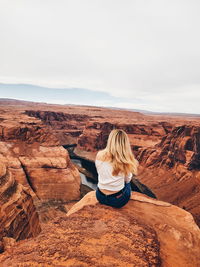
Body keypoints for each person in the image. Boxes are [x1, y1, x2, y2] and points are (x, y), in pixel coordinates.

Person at [95, 129, 138, 208]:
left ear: (110, 140)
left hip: (100, 196)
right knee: (128, 183)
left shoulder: (99, 155)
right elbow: (127, 180)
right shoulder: (125, 160)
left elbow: (99, 172)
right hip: (117, 200)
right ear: (125, 144)